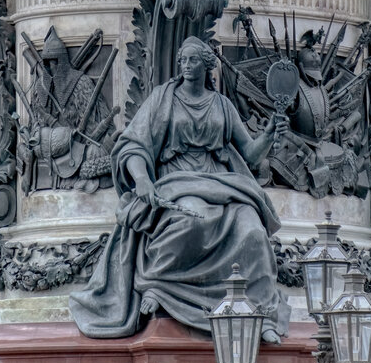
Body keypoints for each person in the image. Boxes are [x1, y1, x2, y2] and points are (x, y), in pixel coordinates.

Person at [70, 36, 290, 339]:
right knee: (192, 220)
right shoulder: (163, 99)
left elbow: (250, 155)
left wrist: (266, 136)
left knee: (252, 229)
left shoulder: (222, 105)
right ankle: (157, 285)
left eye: (193, 60)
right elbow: (133, 144)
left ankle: (260, 314)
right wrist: (143, 180)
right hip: (177, 181)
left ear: (207, 66)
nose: (186, 66)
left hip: (221, 183)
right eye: (183, 60)